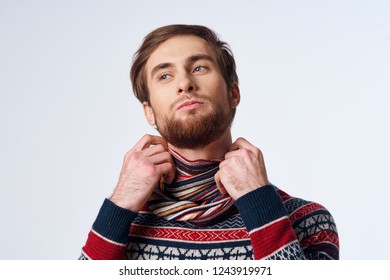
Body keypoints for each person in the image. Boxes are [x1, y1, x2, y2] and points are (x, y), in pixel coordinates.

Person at [80, 24, 339, 260]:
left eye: (199, 68)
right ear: (148, 111)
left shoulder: (307, 221)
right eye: (165, 76)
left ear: (233, 93)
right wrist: (121, 202)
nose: (184, 83)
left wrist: (258, 200)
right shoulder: (123, 223)